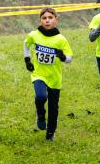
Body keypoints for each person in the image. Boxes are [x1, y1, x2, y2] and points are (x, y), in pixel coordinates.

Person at [23, 8, 73, 141]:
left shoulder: (60, 39)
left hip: (55, 78)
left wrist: (62, 57)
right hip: (39, 74)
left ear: (56, 20)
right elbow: (26, 45)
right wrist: (27, 60)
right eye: (44, 18)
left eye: (50, 18)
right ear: (40, 20)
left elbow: (69, 58)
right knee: (40, 97)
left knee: (53, 107)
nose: (47, 20)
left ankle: (50, 132)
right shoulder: (34, 35)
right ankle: (40, 114)